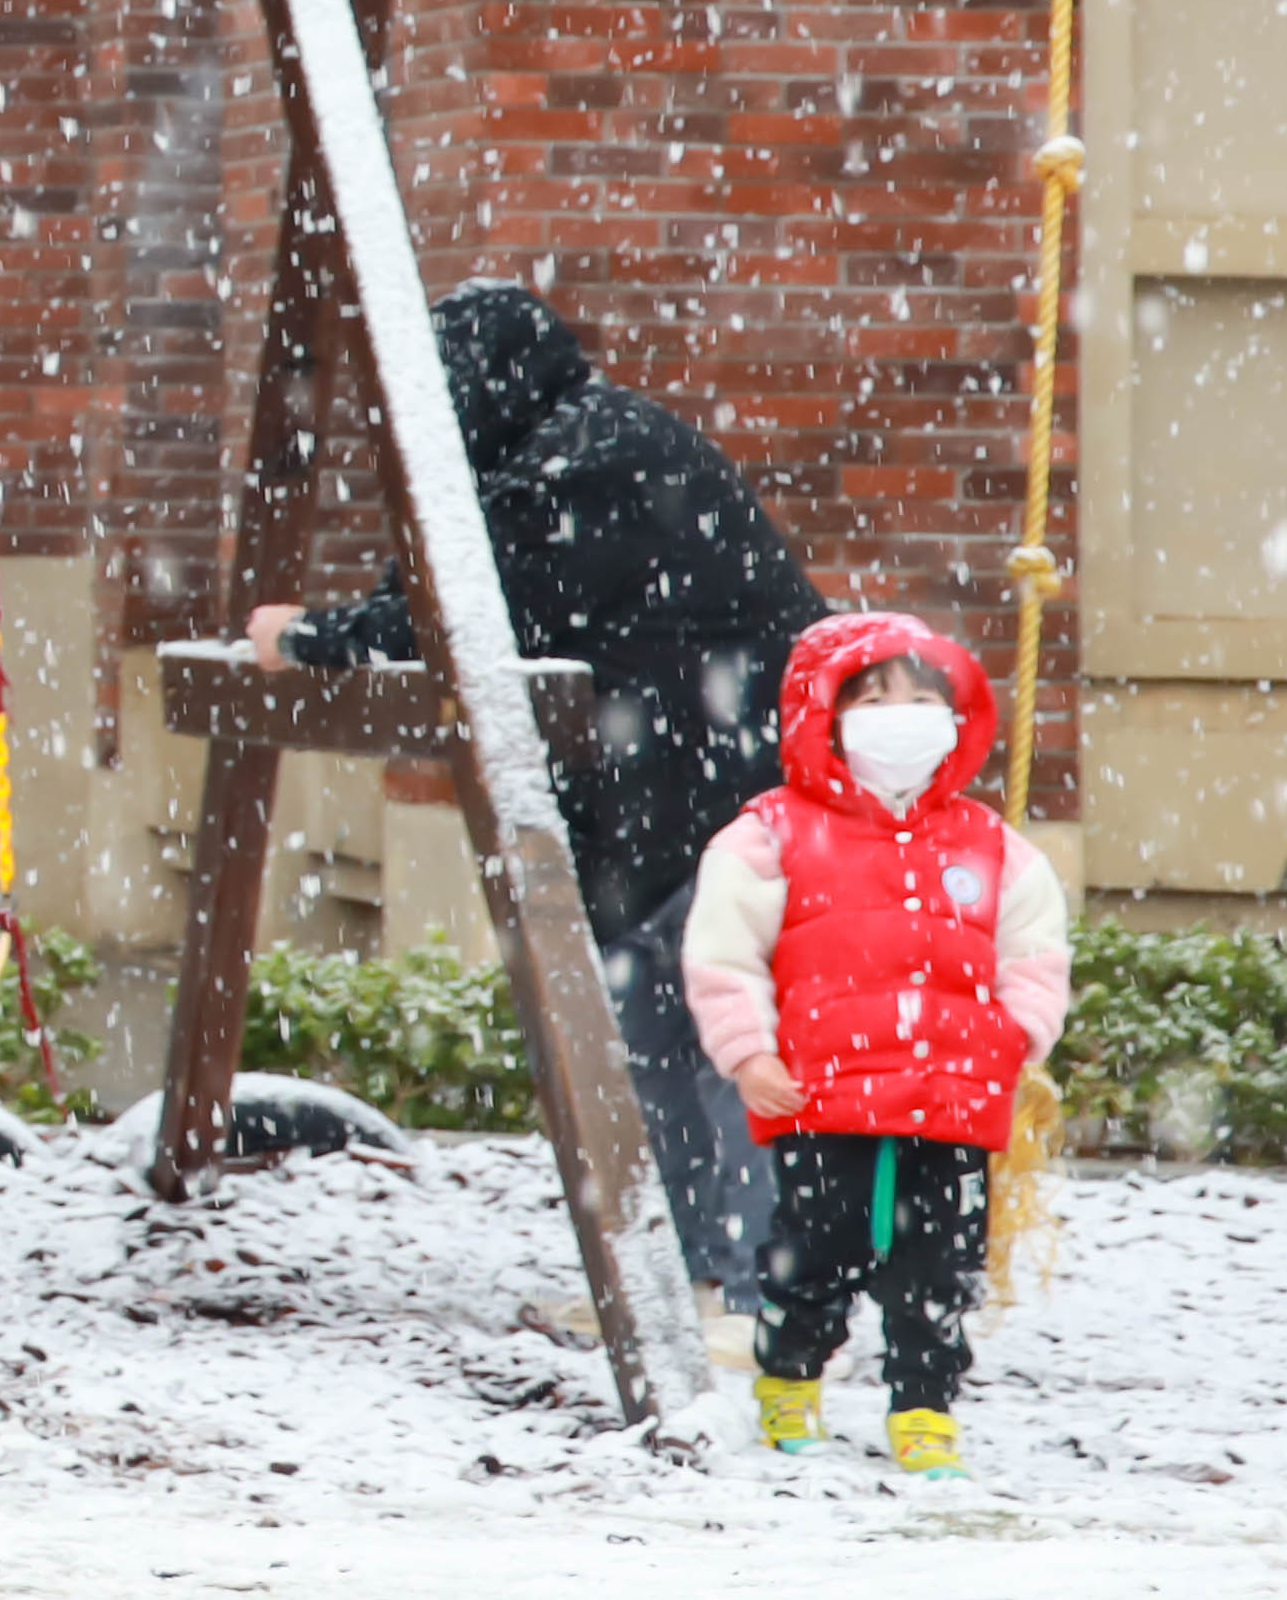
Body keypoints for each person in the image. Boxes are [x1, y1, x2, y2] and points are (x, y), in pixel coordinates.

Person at [246, 280, 826, 1308]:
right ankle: (709, 1281)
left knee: (706, 1033)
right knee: (662, 1021)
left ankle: (755, 1295)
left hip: (723, 789)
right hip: (719, 778)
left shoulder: (569, 467)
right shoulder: (585, 440)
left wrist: (301, 637)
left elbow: (454, 616)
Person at [680, 612, 1070, 1478]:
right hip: (823, 1095)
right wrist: (750, 1053)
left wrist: (1016, 1037)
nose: (902, 714)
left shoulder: (988, 846)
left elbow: (1033, 949)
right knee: (818, 1247)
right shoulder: (770, 835)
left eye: (922, 697)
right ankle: (789, 1375)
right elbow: (722, 954)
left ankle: (924, 1408)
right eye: (873, 697)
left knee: (938, 1265)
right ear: (825, 715)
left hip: (951, 1098)